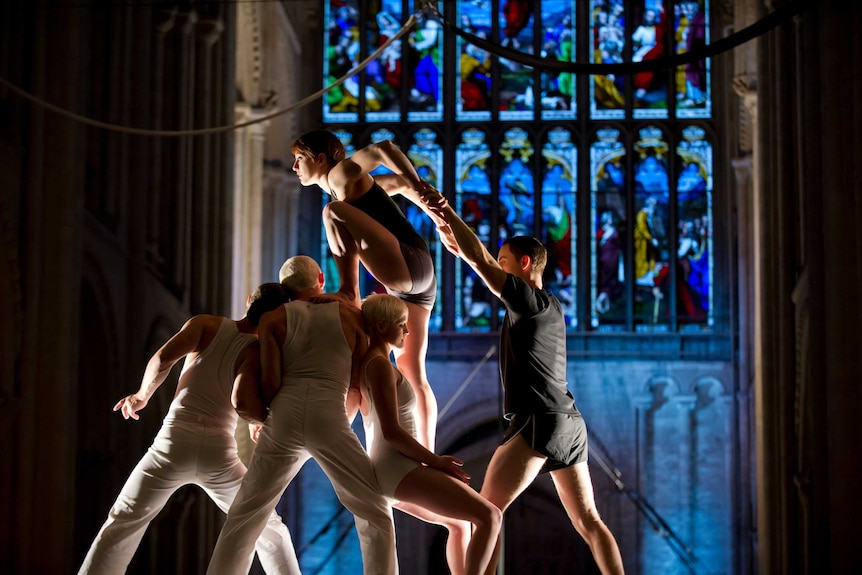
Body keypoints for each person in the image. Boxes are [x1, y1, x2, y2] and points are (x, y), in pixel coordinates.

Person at [421, 190, 625, 575]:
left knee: (486, 513)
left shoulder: (527, 300)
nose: (498, 267)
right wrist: (453, 236)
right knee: (590, 522)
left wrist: (446, 210)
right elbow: (474, 257)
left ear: (525, 263)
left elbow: (479, 259)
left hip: (538, 420)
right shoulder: (551, 305)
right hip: (569, 424)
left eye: (504, 261)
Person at [77, 284, 300, 575]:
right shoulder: (256, 350)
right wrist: (259, 422)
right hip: (218, 455)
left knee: (123, 522)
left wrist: (142, 395)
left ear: (248, 301)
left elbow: (162, 358)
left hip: (172, 443)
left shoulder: (205, 325)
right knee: (266, 527)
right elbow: (243, 401)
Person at [206, 256, 397, 575]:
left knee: (245, 516)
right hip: (329, 414)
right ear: (321, 278)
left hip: (284, 416)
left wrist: (269, 420)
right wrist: (339, 426)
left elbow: (271, 381)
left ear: (285, 289)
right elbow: (356, 383)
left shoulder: (274, 319)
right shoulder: (349, 317)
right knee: (375, 512)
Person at [291, 129, 440, 450]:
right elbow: (397, 185)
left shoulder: (340, 175)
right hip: (417, 279)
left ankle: (348, 290)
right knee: (413, 373)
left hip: (407, 265)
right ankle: (429, 450)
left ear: (320, 159)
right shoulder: (354, 190)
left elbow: (384, 147)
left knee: (332, 213)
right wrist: (439, 220)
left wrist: (419, 185)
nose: (294, 167)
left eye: (299, 159)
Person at [359, 294, 502, 575]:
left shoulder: (376, 364)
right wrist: (435, 461)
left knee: (459, 524)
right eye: (401, 324)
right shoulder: (377, 367)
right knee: (490, 516)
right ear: (378, 326)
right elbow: (391, 432)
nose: (407, 331)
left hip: (397, 471)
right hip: (397, 470)